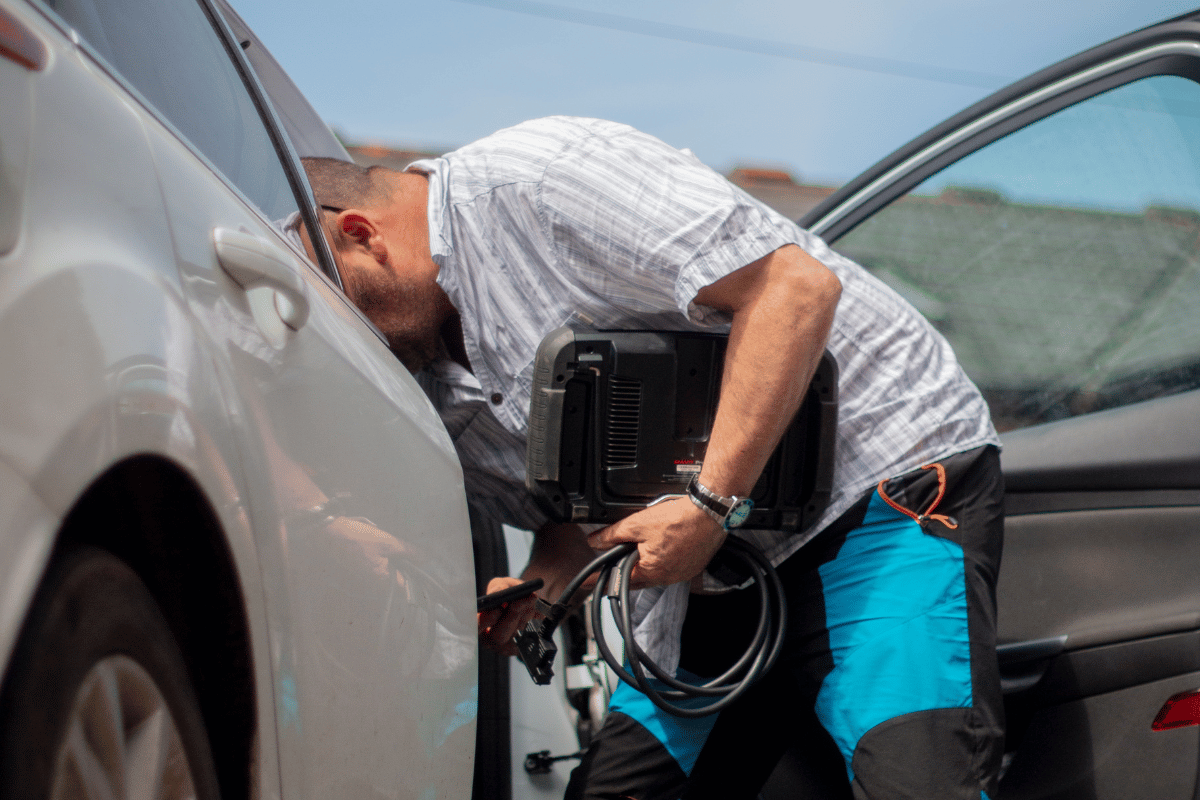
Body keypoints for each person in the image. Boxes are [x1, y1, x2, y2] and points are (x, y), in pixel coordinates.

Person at [300, 116, 1004, 800]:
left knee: (922, 782)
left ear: (362, 236)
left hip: (875, 493)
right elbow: (575, 515)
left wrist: (710, 503)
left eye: (347, 309)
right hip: (711, 573)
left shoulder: (538, 178)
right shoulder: (421, 381)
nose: (357, 344)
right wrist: (542, 589)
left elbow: (794, 289)